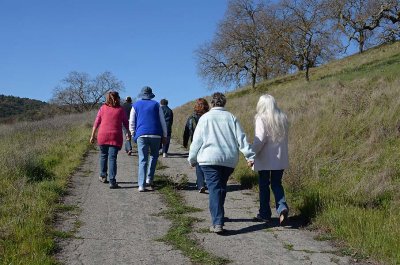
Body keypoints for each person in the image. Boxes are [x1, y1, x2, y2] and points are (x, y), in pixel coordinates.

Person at [188, 92, 254, 234]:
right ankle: (219, 215)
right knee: (220, 188)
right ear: (224, 103)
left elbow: (197, 141)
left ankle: (217, 222)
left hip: (209, 159)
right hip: (228, 160)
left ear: (212, 103)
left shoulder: (205, 118)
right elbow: (241, 139)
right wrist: (249, 156)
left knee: (215, 189)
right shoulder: (231, 118)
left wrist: (192, 158)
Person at [251, 94, 289, 225]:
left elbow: (260, 139)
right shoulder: (282, 117)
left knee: (264, 186)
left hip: (265, 158)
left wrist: (252, 153)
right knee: (277, 184)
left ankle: (265, 214)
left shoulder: (261, 118)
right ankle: (282, 207)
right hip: (280, 159)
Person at [129, 86, 167, 192]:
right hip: (156, 134)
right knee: (154, 156)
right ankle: (149, 178)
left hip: (141, 134)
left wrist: (133, 133)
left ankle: (141, 185)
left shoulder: (135, 105)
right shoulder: (156, 104)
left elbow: (131, 121)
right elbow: (162, 121)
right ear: (150, 94)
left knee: (143, 159)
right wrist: (165, 135)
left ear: (141, 94)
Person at [90, 91, 131, 189]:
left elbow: (97, 122)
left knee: (103, 155)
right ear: (117, 98)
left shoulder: (102, 108)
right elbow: (126, 123)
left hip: (102, 135)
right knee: (112, 158)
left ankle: (103, 176)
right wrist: (128, 133)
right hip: (115, 136)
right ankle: (112, 181)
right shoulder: (120, 110)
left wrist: (92, 135)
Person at [183, 98, 210, 193]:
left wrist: (185, 143)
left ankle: (201, 184)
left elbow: (186, 131)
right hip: (208, 142)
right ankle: (206, 182)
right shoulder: (209, 117)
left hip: (196, 142)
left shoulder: (191, 118)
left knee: (199, 163)